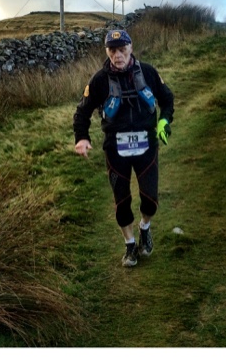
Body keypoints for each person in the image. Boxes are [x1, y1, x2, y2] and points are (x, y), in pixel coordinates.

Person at [73, 29, 174, 267]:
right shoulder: (99, 80)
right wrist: (82, 138)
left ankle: (144, 227)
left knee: (150, 199)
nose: (117, 55)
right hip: (115, 149)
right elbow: (82, 112)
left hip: (146, 144)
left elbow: (167, 99)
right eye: (112, 50)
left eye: (122, 49)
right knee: (122, 201)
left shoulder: (148, 72)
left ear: (131, 48)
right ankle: (130, 246)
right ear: (107, 51)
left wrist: (164, 121)